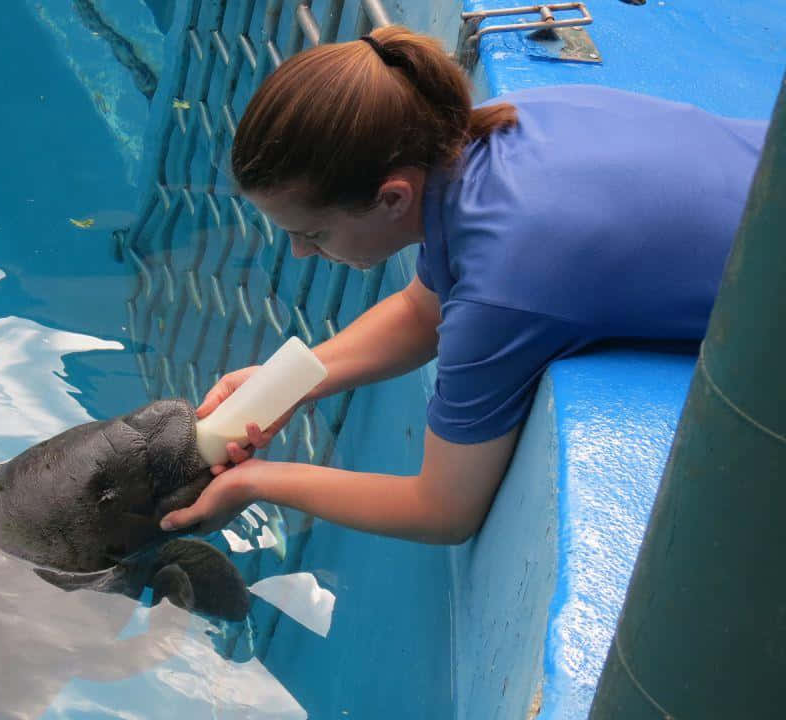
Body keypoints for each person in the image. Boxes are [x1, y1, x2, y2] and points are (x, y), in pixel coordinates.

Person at [157, 26, 768, 543]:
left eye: (312, 233)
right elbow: (424, 313)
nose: (300, 250)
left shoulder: (503, 290)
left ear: (391, 197)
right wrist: (284, 383)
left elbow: (443, 510)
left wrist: (254, 482)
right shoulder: (506, 130)